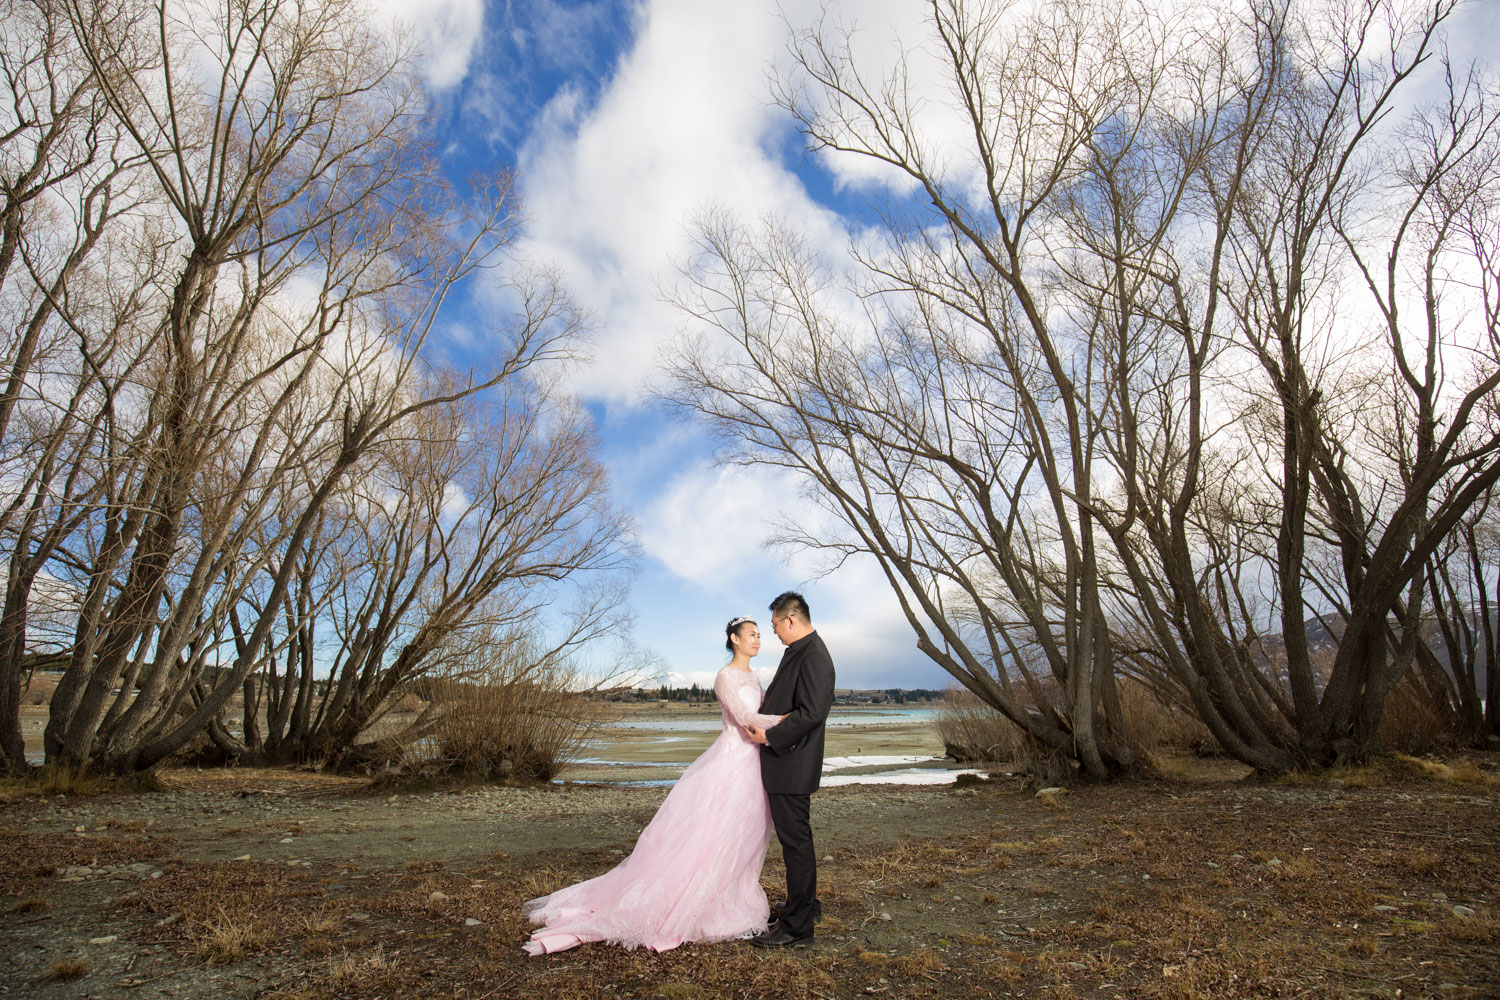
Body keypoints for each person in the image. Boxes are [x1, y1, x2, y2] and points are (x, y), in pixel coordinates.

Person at [521, 616, 784, 955]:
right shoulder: (725, 676)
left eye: (760, 635)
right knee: (713, 832)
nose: (758, 640)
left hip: (753, 766)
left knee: (743, 833)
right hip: (731, 761)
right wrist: (789, 721)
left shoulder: (754, 677)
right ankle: (694, 902)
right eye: (751, 634)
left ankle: (733, 896)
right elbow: (744, 719)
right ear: (734, 638)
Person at [744, 591, 835, 948]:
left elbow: (813, 713)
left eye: (775, 626)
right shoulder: (801, 650)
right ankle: (804, 905)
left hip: (792, 763)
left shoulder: (814, 655)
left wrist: (769, 736)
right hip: (789, 762)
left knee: (796, 843)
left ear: (791, 620)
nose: (775, 634)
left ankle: (798, 928)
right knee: (798, 841)